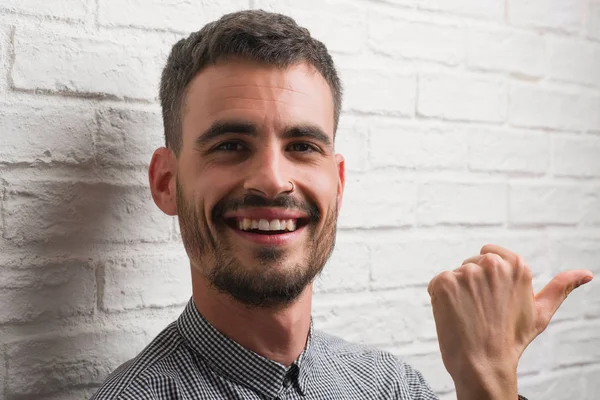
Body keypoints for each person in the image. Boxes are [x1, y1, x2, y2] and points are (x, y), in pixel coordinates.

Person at [91, 9, 593, 400]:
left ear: (337, 181)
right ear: (166, 182)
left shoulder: (389, 384)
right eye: (230, 145)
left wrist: (490, 375)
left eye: (303, 147)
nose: (272, 179)